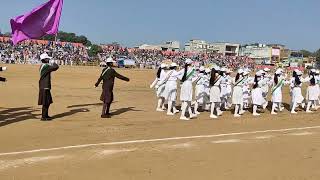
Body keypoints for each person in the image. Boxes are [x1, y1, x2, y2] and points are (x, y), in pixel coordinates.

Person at [38, 53, 59, 121]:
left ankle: (45, 115)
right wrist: (53, 62)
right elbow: (56, 67)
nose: (49, 59)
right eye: (47, 58)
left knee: (47, 101)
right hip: (45, 86)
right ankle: (44, 117)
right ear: (44, 59)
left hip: (43, 85)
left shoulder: (42, 66)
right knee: (46, 102)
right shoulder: (46, 66)